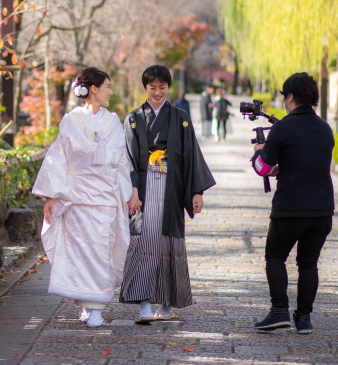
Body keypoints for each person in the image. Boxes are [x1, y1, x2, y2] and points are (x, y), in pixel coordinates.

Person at [32, 67, 139, 327]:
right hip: (78, 199)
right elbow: (59, 157)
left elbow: (121, 162)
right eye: (108, 87)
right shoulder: (71, 120)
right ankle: (85, 304)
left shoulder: (112, 121)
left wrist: (130, 193)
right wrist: (50, 197)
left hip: (104, 198)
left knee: (102, 250)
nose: (110, 92)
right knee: (80, 253)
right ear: (94, 89)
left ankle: (97, 307)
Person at [120, 65, 216, 323]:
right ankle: (143, 305)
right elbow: (127, 159)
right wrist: (132, 192)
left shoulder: (180, 117)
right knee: (142, 243)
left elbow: (191, 156)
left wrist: (197, 192)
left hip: (171, 188)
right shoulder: (132, 119)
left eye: (162, 87)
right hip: (143, 188)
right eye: (152, 87)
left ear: (168, 87)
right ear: (145, 88)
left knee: (168, 244)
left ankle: (165, 304)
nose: (158, 91)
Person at [251, 72, 335, 334]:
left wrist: (256, 154)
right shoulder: (325, 128)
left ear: (290, 97)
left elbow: (263, 168)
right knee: (308, 263)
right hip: (322, 209)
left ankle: (279, 311)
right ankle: (304, 318)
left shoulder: (283, 127)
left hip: (290, 208)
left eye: (284, 97)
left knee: (275, 257)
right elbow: (306, 163)